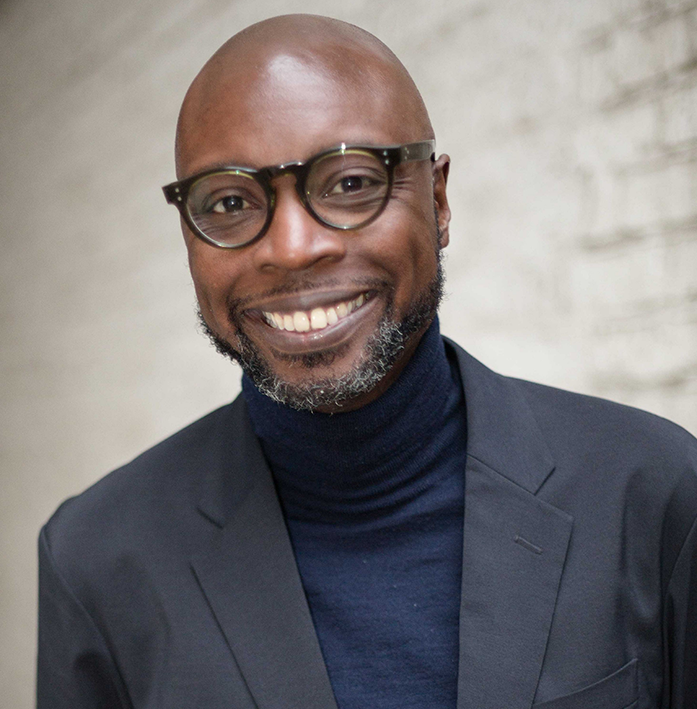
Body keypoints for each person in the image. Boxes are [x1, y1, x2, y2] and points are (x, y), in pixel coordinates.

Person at [37, 14, 697, 709]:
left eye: (350, 183)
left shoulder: (649, 491)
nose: (291, 247)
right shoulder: (96, 559)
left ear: (437, 203)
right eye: (230, 201)